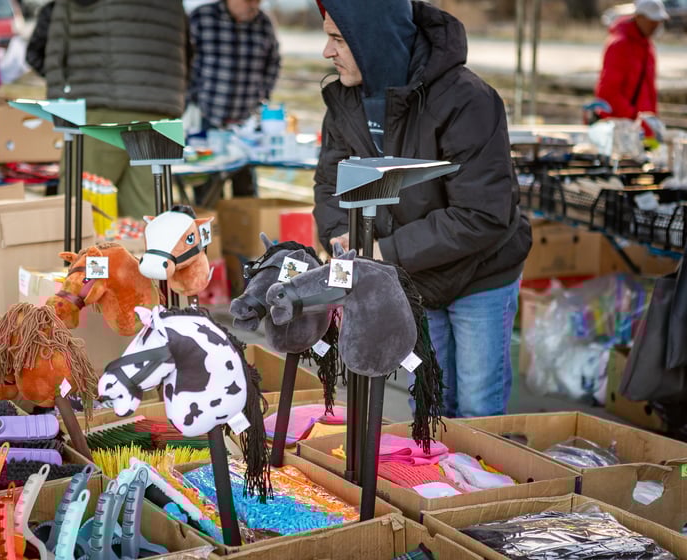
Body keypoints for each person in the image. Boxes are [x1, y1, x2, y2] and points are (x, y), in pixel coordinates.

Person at [313, 0, 532, 418]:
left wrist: (384, 252)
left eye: (338, 39)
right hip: (412, 275)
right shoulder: (345, 103)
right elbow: (331, 184)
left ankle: (485, 483)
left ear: (374, 40)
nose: (327, 52)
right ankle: (429, 481)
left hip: (480, 273)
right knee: (428, 401)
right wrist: (342, 235)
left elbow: (482, 214)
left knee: (476, 405)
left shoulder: (468, 100)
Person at [44, 0, 189, 218]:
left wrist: (60, 103)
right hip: (161, 108)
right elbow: (187, 48)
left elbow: (56, 46)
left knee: (84, 212)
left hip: (101, 105)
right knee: (145, 214)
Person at [187, 0, 281, 199]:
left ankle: (243, 229)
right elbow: (185, 60)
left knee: (245, 189)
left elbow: (273, 61)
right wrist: (191, 95)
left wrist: (263, 94)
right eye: (249, 1)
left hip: (245, 122)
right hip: (207, 116)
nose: (255, 5)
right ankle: (213, 228)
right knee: (208, 189)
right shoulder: (201, 17)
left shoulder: (263, 23)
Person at [594, 0, 668, 132]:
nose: (656, 25)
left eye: (658, 20)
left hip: (641, 129)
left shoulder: (647, 47)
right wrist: (635, 118)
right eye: (652, 20)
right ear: (638, 17)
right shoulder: (619, 45)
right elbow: (608, 92)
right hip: (622, 128)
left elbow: (650, 90)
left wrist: (652, 122)